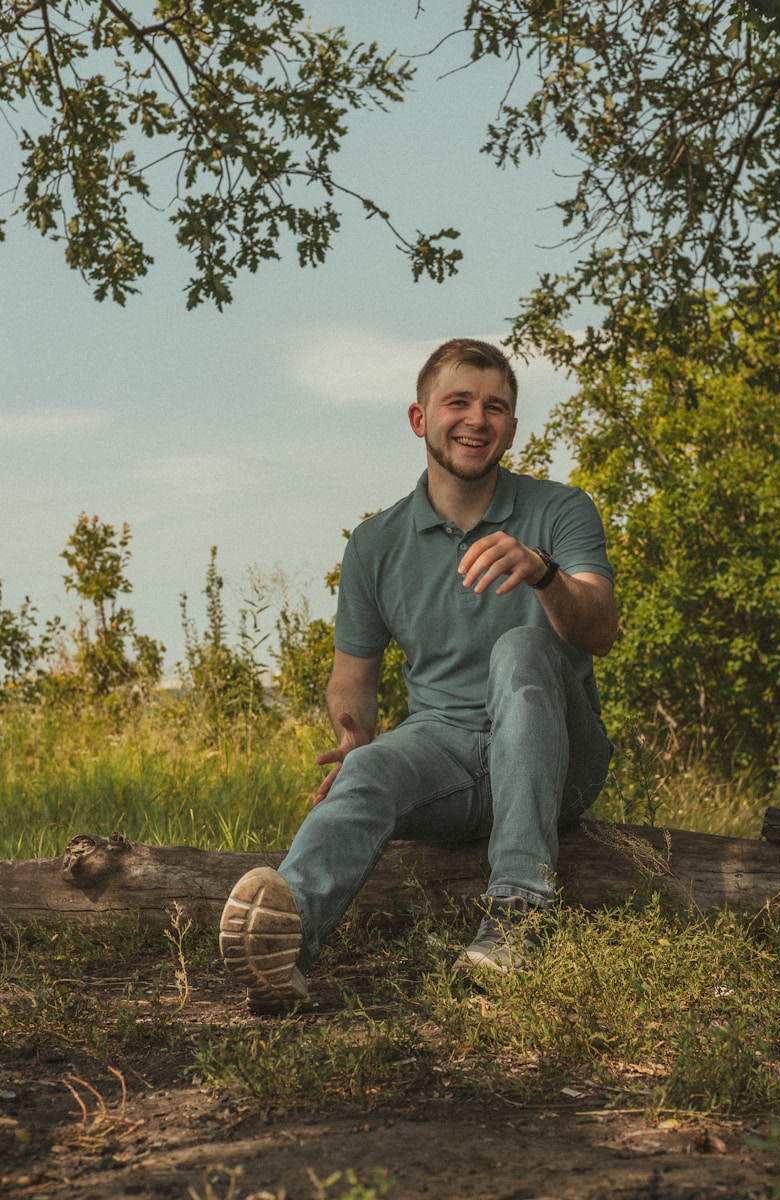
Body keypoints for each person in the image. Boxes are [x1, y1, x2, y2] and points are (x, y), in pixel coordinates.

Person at [219, 337, 617, 1010]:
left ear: (511, 430)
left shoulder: (558, 509)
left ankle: (516, 920)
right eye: (457, 401)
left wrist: (544, 575)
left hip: (559, 755)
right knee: (368, 770)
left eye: (494, 407)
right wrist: (353, 733)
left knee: (520, 648)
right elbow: (353, 677)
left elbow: (599, 629)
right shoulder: (375, 543)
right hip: (446, 754)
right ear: (418, 418)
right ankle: (282, 949)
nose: (476, 419)